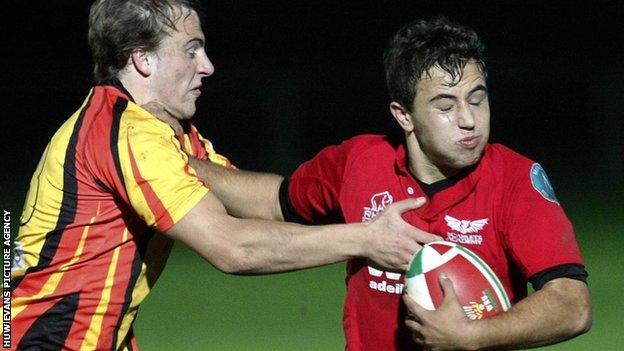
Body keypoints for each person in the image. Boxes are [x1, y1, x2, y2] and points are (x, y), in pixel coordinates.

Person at [7, 1, 440, 349]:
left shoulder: (163, 132)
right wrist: (366, 239)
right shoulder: (126, 134)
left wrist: (353, 181)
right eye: (191, 49)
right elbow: (232, 247)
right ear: (142, 59)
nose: (208, 65)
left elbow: (264, 202)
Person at [185, 17, 592, 350]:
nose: (468, 119)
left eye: (477, 98)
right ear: (403, 115)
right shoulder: (359, 162)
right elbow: (273, 200)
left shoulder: (515, 179)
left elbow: (572, 304)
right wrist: (180, 163)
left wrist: (473, 336)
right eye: (446, 106)